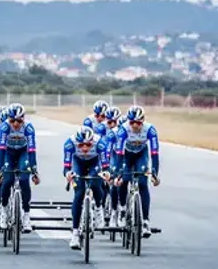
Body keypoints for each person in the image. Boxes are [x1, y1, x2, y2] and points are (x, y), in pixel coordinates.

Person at [114, 105, 160, 238]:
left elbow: (155, 153)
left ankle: (145, 221)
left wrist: (155, 173)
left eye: (138, 123)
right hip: (126, 156)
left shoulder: (150, 130)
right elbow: (119, 152)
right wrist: (118, 173)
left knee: (143, 183)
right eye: (132, 122)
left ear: (143, 121)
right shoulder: (123, 130)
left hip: (141, 155)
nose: (134, 125)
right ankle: (122, 209)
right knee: (125, 180)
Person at [0, 103, 40, 233]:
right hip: (8, 153)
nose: (15, 124)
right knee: (7, 180)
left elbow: (32, 150)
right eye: (12, 120)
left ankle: (26, 216)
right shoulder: (4, 128)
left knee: (24, 180)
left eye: (19, 121)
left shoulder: (28, 128)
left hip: (23, 152)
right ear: (8, 119)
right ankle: (3, 211)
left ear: (23, 119)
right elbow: (1, 149)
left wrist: (34, 170)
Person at [63, 126, 110, 250]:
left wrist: (106, 173)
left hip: (94, 162)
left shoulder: (100, 143)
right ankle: (75, 233)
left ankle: (99, 208)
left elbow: (105, 165)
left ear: (92, 142)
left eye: (88, 145)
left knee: (96, 183)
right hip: (78, 163)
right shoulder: (69, 143)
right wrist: (68, 174)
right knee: (79, 194)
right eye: (81, 145)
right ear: (76, 142)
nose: (84, 148)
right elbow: (66, 166)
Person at [102, 106, 123, 224]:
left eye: (115, 122)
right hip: (109, 154)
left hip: (124, 156)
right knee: (110, 181)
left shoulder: (125, 128)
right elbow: (106, 153)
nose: (112, 124)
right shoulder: (104, 130)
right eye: (109, 122)